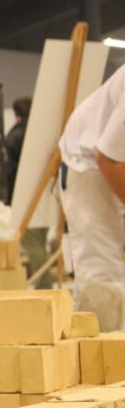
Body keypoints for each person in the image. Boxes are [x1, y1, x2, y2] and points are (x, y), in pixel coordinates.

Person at [59, 64, 125, 330]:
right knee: (102, 275)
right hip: (88, 162)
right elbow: (108, 160)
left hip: (113, 159)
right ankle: (102, 363)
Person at [3, 96, 32, 205]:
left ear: (15, 114)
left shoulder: (13, 136)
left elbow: (10, 168)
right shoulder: (39, 132)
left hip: (17, 191)